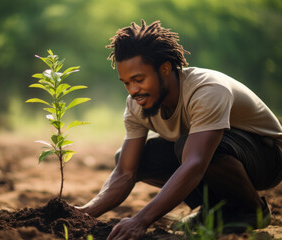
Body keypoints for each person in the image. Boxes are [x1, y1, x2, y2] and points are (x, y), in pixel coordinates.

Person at [77, 20, 282, 240]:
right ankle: (214, 209)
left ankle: (251, 210)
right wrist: (82, 213)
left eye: (139, 79)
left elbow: (195, 164)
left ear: (165, 68)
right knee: (133, 159)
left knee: (189, 149)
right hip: (209, 153)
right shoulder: (136, 105)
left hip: (267, 157)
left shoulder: (207, 90)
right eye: (126, 83)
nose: (133, 90)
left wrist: (140, 220)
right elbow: (125, 173)